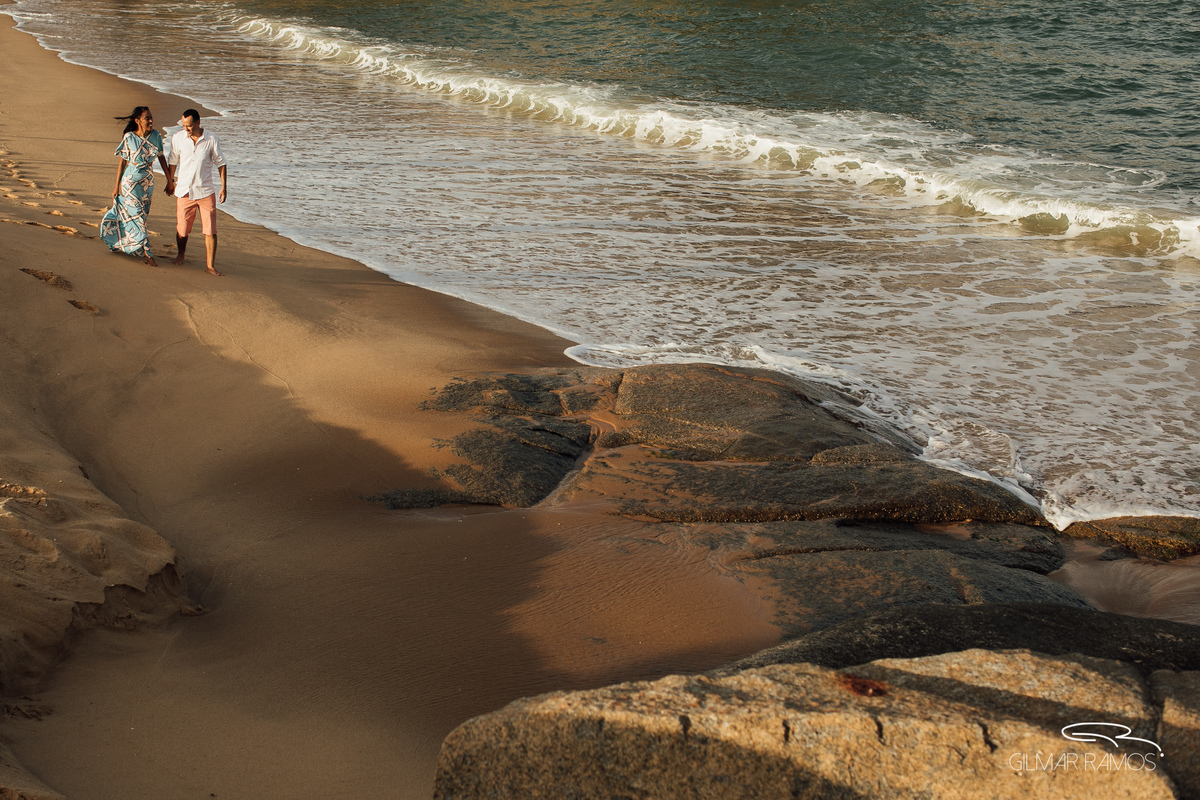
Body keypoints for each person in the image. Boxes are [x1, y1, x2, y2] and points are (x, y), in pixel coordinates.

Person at [100, 107, 173, 267]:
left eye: (151, 117)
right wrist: (116, 187)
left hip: (148, 185)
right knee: (138, 218)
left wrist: (170, 180)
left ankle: (122, 243)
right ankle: (148, 255)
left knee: (142, 218)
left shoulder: (156, 136)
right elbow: (122, 162)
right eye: (147, 118)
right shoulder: (129, 138)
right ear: (137, 120)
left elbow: (161, 159)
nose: (151, 121)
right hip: (130, 184)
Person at [167, 109, 227, 276]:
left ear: (198, 123)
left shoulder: (211, 139)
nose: (186, 129)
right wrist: (170, 182)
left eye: (189, 125)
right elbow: (172, 160)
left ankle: (210, 266)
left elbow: (221, 163)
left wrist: (224, 187)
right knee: (182, 229)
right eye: (184, 125)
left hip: (205, 190)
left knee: (210, 230)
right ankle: (181, 254)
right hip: (184, 190)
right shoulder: (178, 138)